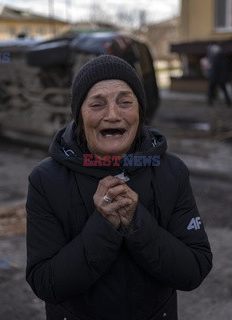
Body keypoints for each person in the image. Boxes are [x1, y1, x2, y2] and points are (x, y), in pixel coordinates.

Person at [26, 55, 212, 320]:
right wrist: (103, 225)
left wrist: (137, 222)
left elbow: (195, 268)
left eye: (125, 102)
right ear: (80, 115)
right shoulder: (46, 180)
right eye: (97, 104)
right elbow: (45, 282)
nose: (112, 115)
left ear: (139, 112)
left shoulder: (172, 172)